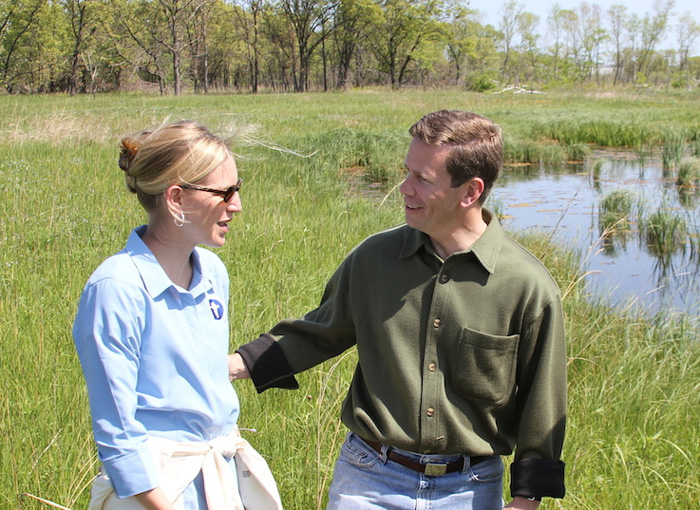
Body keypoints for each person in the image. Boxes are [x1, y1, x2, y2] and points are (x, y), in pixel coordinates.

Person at [228, 110, 566, 510]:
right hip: (368, 479)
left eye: (422, 179)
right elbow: (318, 332)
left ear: (471, 192)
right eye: (407, 172)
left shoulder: (526, 285)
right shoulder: (373, 259)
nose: (404, 188)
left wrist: (528, 498)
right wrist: (230, 367)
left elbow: (542, 401)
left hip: (471, 489)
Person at [73, 120, 282, 510]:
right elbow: (118, 432)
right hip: (156, 491)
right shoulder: (117, 288)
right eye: (225, 192)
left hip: (219, 477)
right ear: (175, 198)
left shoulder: (212, 272)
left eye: (237, 190)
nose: (236, 204)